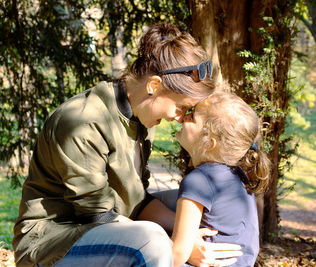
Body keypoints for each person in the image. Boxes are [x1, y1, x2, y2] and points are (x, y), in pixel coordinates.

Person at [12, 23, 241, 267]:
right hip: (49, 244)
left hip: (109, 228)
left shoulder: (142, 115)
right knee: (153, 242)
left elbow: (137, 201)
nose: (181, 116)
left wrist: (186, 233)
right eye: (182, 107)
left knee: (202, 205)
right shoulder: (84, 122)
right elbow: (98, 216)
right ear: (154, 86)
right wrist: (180, 246)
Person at [170, 91, 271, 267]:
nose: (183, 117)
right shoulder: (237, 175)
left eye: (192, 116)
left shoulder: (198, 181)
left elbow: (177, 255)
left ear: (209, 143)